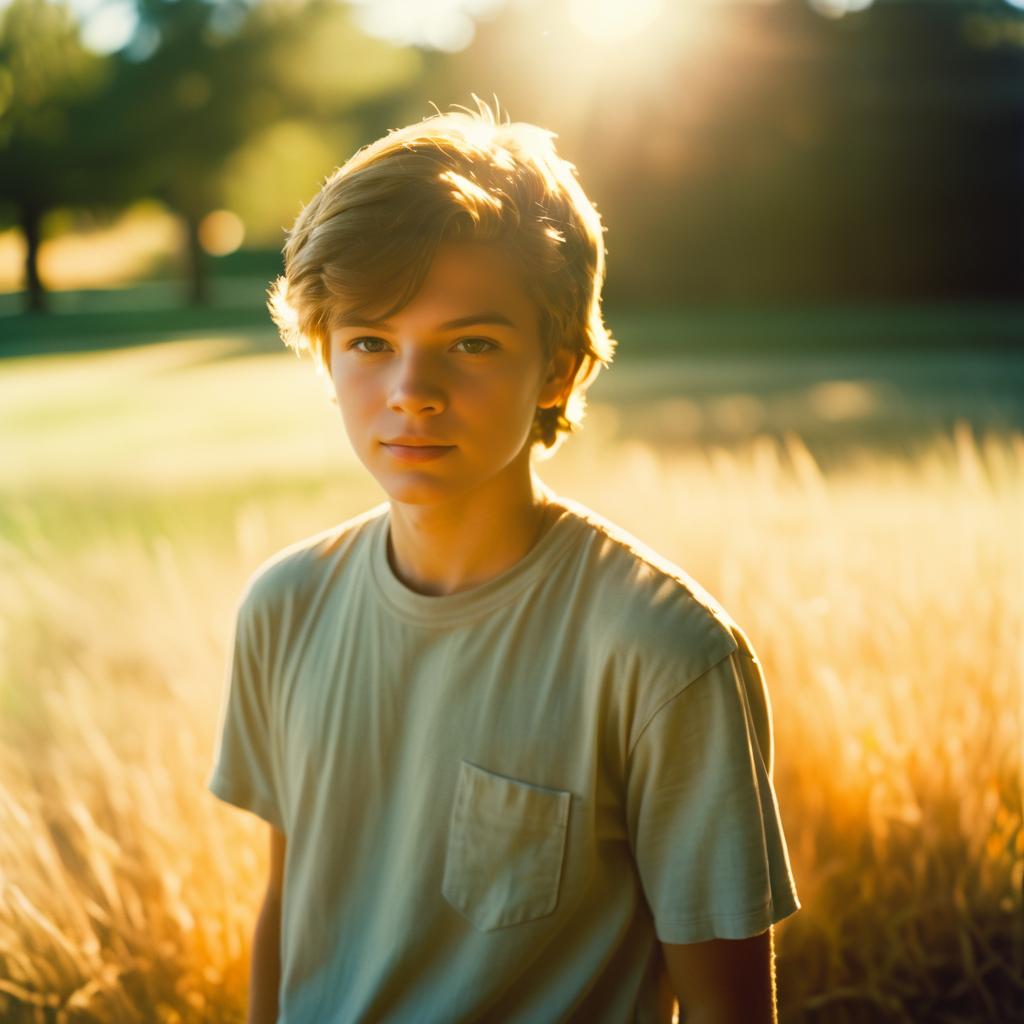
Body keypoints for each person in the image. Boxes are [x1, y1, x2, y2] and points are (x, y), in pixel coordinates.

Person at [205, 96, 801, 1024]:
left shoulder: (666, 656)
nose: (412, 394)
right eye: (370, 342)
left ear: (559, 366)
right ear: (325, 354)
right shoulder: (284, 604)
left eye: (471, 344)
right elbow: (292, 916)